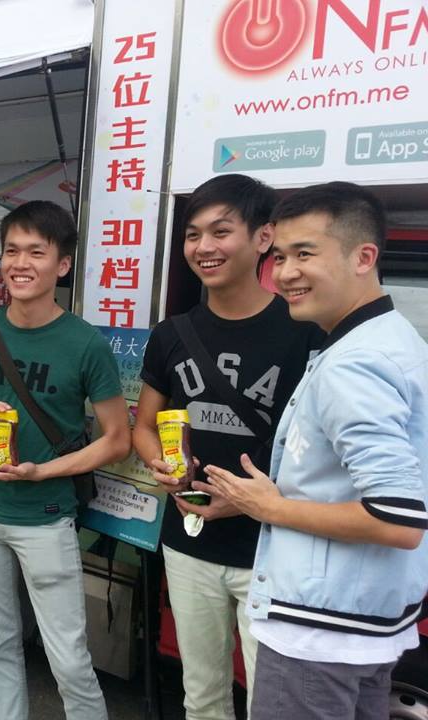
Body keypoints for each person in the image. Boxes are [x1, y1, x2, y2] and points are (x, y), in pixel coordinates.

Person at [201, 182, 428, 720]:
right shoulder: (395, 339)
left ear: (363, 257)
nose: (285, 273)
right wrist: (254, 500)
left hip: (318, 632)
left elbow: (397, 518)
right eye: (279, 256)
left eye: (305, 254)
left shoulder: (355, 363)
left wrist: (271, 507)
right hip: (367, 621)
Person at [131, 174, 322, 719]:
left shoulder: (305, 331)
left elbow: (321, 451)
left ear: (263, 237)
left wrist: (245, 500)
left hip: (273, 547)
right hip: (189, 539)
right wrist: (160, 464)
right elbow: (145, 425)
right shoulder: (171, 334)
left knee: (273, 702)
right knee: (202, 695)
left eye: (220, 231)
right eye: (193, 235)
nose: (203, 247)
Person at [0, 200, 131, 720]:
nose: (20, 263)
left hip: (45, 518)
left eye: (36, 252)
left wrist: (41, 471)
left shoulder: (85, 343)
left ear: (62, 265)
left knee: (68, 658)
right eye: (11, 251)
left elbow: (117, 440)